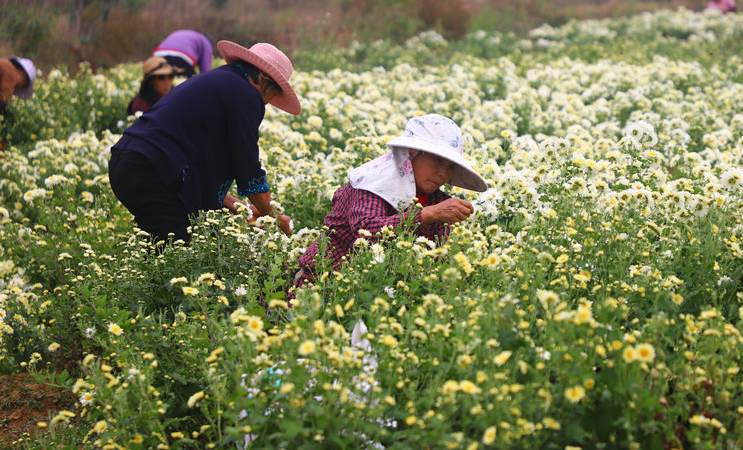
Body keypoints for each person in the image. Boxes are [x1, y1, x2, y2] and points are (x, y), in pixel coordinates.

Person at [109, 41, 301, 244]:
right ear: (264, 79)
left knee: (166, 245)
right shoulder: (247, 94)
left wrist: (242, 208)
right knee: (179, 250)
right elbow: (247, 167)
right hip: (153, 170)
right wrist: (273, 217)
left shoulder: (223, 80)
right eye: (272, 94)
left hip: (129, 163)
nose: (266, 102)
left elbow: (200, 161)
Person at [293, 113, 487, 290]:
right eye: (438, 161)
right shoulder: (373, 183)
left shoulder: (438, 201)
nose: (443, 173)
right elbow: (365, 233)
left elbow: (434, 255)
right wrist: (425, 215)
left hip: (382, 289)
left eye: (451, 166)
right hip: (324, 282)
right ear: (412, 153)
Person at [0, 56, 37, 152]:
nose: (18, 87)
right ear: (22, 73)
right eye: (23, 84)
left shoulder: (4, 66)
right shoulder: (10, 70)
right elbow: (4, 100)